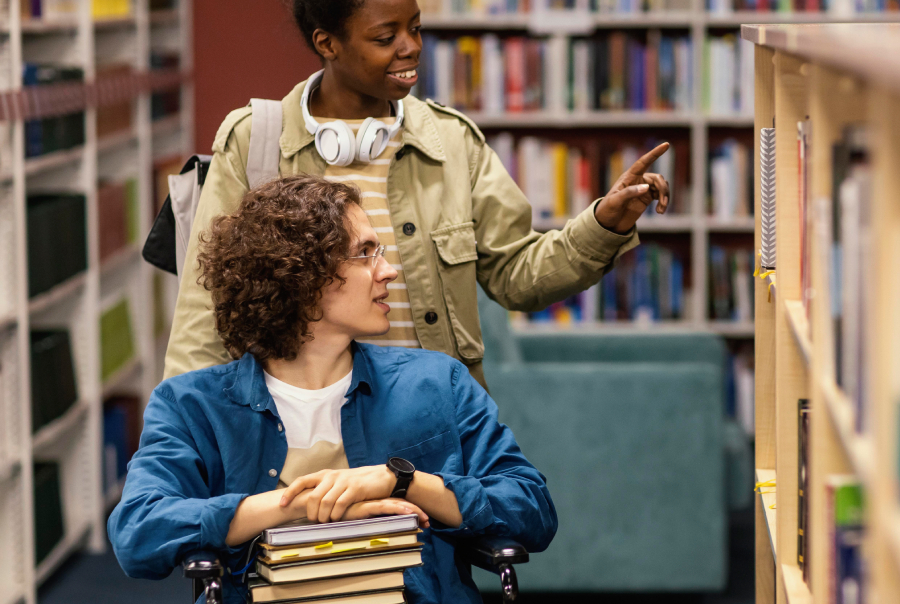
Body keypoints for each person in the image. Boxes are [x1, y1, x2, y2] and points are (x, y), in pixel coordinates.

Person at [110, 177, 557, 604]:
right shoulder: (191, 405)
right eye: (366, 253)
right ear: (301, 275)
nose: (388, 271)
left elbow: (532, 509)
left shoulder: (437, 381)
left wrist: (398, 482)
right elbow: (139, 531)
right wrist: (299, 506)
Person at [164, 0, 672, 386]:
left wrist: (605, 223)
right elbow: (205, 310)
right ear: (327, 43)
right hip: (298, 433)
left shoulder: (451, 142)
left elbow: (518, 277)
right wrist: (182, 443)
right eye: (386, 36)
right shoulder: (256, 142)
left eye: (415, 28)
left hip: (434, 426)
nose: (411, 47)